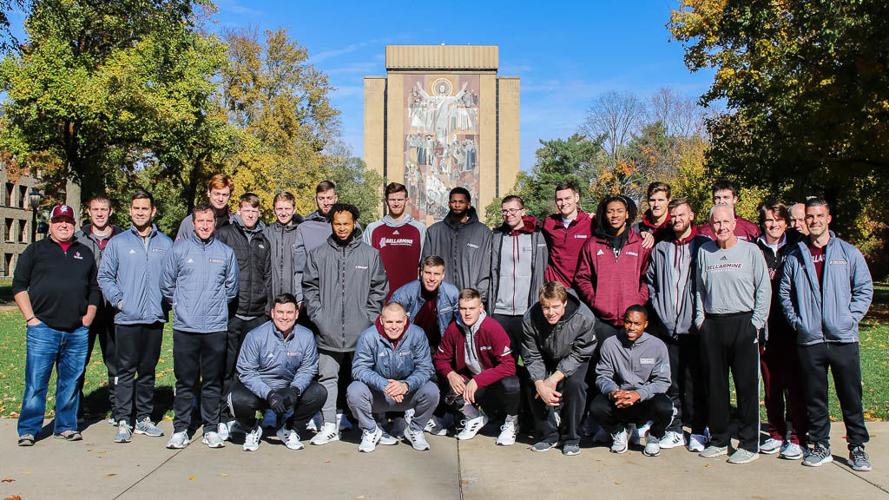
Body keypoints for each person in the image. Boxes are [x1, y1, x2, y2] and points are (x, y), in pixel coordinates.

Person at [779, 198, 873, 472]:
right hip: (810, 339)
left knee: (851, 397)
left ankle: (857, 447)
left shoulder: (848, 252)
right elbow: (785, 293)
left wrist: (848, 318)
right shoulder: (796, 255)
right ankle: (820, 445)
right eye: (810, 216)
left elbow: (864, 289)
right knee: (815, 398)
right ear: (805, 220)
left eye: (820, 216)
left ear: (829, 218)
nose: (815, 221)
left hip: (842, 339)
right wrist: (799, 322)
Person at [14, 204, 100, 446]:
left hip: (76, 330)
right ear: (50, 224)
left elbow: (94, 288)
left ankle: (66, 425)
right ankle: (29, 429)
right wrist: (31, 318)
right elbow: (19, 285)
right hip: (43, 330)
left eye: (69, 221)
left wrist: (89, 317)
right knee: (36, 382)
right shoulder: (35, 250)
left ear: (74, 225)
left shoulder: (84, 252)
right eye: (59, 221)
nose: (64, 225)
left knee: (71, 382)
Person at [302, 203, 388, 445]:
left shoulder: (370, 255)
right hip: (327, 331)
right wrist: (320, 317)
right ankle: (329, 425)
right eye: (337, 224)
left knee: (362, 378)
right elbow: (309, 289)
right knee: (327, 377)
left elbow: (379, 289)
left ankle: (369, 426)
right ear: (331, 224)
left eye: (346, 224)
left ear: (354, 224)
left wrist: (368, 319)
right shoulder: (318, 255)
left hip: (361, 332)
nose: (342, 228)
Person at [694, 204, 770, 464]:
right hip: (713, 324)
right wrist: (700, 320)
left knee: (746, 386)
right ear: (711, 225)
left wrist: (756, 323)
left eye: (726, 222)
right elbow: (698, 290)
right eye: (716, 223)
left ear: (735, 222)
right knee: (715, 386)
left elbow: (763, 289)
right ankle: (719, 438)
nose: (721, 227)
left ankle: (749, 443)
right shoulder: (705, 252)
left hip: (744, 323)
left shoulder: (751, 251)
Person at [161, 203, 239, 449]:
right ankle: (181, 428)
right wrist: (184, 305)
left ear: (215, 223)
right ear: (193, 224)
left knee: (213, 382)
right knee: (185, 381)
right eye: (200, 221)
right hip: (186, 327)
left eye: (209, 221)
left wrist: (213, 306)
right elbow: (167, 285)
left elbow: (231, 288)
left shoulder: (225, 253)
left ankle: (211, 428)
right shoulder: (179, 250)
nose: (205, 226)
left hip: (215, 328)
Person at [97, 191, 172, 443]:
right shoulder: (118, 243)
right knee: (125, 371)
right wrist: (119, 301)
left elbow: (174, 276)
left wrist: (168, 301)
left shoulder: (166, 243)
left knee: (148, 371)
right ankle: (123, 419)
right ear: (130, 211)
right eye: (136, 208)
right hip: (127, 319)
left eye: (145, 208)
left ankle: (143, 418)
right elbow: (104, 276)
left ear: (153, 211)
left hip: (154, 318)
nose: (140, 212)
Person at [645, 198, 711, 451]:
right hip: (666, 326)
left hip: (694, 327)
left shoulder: (704, 246)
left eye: (681, 215)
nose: (676, 220)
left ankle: (697, 429)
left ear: (692, 215)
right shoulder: (661, 248)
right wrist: (660, 308)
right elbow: (651, 282)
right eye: (673, 216)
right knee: (670, 381)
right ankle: (674, 427)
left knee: (694, 380)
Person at [227, 294, 327, 452]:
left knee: (319, 392)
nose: (284, 317)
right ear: (273, 313)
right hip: (261, 391)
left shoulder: (306, 336)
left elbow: (308, 368)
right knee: (236, 398)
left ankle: (289, 429)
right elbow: (246, 371)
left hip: (288, 391)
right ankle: (252, 429)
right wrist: (269, 394)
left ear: (296, 314)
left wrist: (295, 389)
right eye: (280, 312)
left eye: (289, 312)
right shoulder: (255, 336)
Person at [215, 193, 273, 440]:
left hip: (256, 316)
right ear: (238, 210)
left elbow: (268, 277)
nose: (250, 214)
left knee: (251, 370)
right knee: (226, 368)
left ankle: (247, 416)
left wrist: (267, 309)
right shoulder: (226, 234)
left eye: (254, 211)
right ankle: (223, 415)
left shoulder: (263, 239)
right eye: (246, 210)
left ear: (259, 213)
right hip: (232, 313)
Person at [347, 302, 439, 452]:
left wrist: (406, 385)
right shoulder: (368, 336)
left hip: (407, 394)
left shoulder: (417, 334)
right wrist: (384, 385)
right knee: (354, 390)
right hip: (379, 394)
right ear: (382, 320)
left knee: (432, 390)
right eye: (389, 322)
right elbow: (359, 369)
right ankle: (371, 430)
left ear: (405, 320)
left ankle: (415, 429)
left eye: (398, 322)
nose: (394, 326)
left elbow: (426, 368)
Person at [433, 288, 520, 446]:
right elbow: (440, 359)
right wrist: (451, 374)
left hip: (494, 381)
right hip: (472, 379)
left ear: (481, 308)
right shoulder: (453, 329)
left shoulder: (492, 328)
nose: (467, 313)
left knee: (512, 384)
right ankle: (474, 417)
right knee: (449, 382)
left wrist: (478, 380)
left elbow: (509, 366)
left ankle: (511, 422)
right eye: (463, 308)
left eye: (472, 308)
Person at [755, 202, 807, 459]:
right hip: (765, 328)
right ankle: (775, 432)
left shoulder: (797, 248)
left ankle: (796, 436)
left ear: (786, 222)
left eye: (778, 220)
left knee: (794, 385)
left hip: (792, 326)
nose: (773, 225)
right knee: (771, 385)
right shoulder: (754, 249)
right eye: (768, 220)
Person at [522, 281, 597, 456]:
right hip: (545, 354)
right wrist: (541, 384)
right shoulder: (529, 318)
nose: (550, 312)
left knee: (576, 385)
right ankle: (548, 435)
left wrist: (553, 378)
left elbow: (581, 352)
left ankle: (571, 437)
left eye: (555, 307)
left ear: (564, 303)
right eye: (545, 307)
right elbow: (531, 354)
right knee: (532, 383)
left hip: (574, 356)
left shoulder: (584, 317)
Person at [589, 306, 672, 457]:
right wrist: (613, 391)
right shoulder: (610, 343)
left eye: (636, 324)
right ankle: (618, 431)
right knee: (596, 407)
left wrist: (638, 394)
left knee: (665, 407)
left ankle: (653, 436)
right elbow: (602, 375)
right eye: (628, 322)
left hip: (645, 399)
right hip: (620, 398)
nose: (631, 327)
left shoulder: (657, 345)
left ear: (645, 324)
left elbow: (663, 381)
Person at [575, 195, 651, 342]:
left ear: (627, 214)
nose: (615, 215)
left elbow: (647, 278)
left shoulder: (640, 244)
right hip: (603, 321)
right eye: (610, 211)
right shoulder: (593, 244)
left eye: (619, 211)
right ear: (604, 214)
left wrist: (638, 301)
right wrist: (595, 300)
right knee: (605, 362)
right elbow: (582, 277)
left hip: (631, 321)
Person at [74, 195, 123, 420]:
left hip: (113, 310)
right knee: (78, 360)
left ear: (110, 212)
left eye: (104, 209)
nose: (100, 213)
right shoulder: (78, 239)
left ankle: (117, 406)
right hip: (85, 309)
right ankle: (75, 407)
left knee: (115, 361)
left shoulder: (122, 238)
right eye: (96, 209)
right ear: (89, 212)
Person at [489, 195, 548, 354]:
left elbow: (543, 270)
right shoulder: (496, 237)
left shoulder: (537, 236)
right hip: (500, 311)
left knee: (530, 357)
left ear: (523, 211)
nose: (509, 214)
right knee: (502, 359)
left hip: (527, 309)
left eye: (513, 210)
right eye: (505, 211)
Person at [421, 187, 491, 303]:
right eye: (453, 202)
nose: (457, 205)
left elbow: (486, 268)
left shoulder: (483, 232)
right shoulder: (434, 231)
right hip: (440, 299)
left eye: (461, 202)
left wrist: (481, 298)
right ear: (449, 204)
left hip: (470, 300)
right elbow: (425, 264)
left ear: (468, 205)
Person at [364, 182, 426, 299]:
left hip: (411, 295)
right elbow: (366, 264)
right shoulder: (372, 229)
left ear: (406, 201)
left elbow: (424, 264)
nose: (396, 203)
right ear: (386, 201)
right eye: (392, 200)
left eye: (400, 199)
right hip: (380, 296)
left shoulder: (419, 229)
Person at [390, 256, 460, 351]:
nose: (432, 278)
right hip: (411, 347)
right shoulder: (404, 294)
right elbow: (389, 321)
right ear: (421, 272)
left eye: (436, 274)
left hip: (440, 347)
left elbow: (461, 323)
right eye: (428, 273)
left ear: (443, 275)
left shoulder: (452, 293)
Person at [292, 180, 339, 304]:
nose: (326, 202)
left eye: (329, 198)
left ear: (336, 198)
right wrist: (300, 297)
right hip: (313, 297)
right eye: (321, 198)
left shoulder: (348, 225)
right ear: (316, 199)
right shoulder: (305, 227)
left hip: (341, 296)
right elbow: (299, 268)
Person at [541, 181, 595, 288]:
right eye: (559, 200)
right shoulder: (549, 223)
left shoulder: (591, 223)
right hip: (557, 288)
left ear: (576, 198)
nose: (563, 203)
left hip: (582, 286)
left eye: (567, 198)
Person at [264, 191, 303, 297]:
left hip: (294, 296)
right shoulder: (266, 233)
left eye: (287, 209)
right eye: (279, 209)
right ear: (274, 210)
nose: (283, 213)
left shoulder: (301, 233)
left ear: (294, 210)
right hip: (270, 296)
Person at [175, 174, 233, 241]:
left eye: (225, 195)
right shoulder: (189, 223)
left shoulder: (234, 223)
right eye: (217, 194)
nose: (220, 199)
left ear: (230, 196)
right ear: (208, 192)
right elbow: (178, 250)